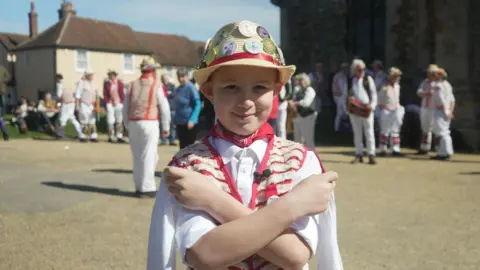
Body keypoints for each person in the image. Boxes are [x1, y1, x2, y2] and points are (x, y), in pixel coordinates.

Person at [147, 21, 342, 270]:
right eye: (231, 87)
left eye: (260, 87)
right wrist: (295, 203)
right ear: (209, 92)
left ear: (276, 91)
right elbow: (205, 254)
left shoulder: (300, 160)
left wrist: (212, 200)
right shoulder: (190, 165)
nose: (246, 101)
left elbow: (294, 255)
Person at [123, 59, 171, 198]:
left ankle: (139, 186)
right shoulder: (156, 85)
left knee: (137, 156)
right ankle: (147, 187)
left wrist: (126, 125)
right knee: (149, 155)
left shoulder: (132, 85)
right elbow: (165, 108)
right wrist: (166, 127)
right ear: (152, 71)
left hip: (133, 122)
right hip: (149, 122)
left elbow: (125, 108)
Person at [347, 59, 378, 165]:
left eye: (362, 69)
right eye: (359, 69)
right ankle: (358, 154)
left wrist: (372, 106)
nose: (361, 71)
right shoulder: (351, 80)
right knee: (357, 132)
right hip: (355, 109)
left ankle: (371, 154)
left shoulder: (368, 79)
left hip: (366, 109)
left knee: (369, 131)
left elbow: (374, 94)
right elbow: (347, 94)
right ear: (355, 70)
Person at [378, 67, 405, 156]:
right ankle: (383, 149)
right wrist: (383, 107)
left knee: (395, 130)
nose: (397, 78)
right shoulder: (384, 87)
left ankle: (395, 149)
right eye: (395, 76)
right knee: (385, 130)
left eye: (398, 76)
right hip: (386, 110)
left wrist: (397, 107)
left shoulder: (397, 86)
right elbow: (379, 100)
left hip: (396, 110)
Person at [174, 68, 201, 149]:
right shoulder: (178, 89)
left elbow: (197, 104)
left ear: (187, 76)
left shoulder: (191, 87)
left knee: (190, 147)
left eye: (183, 77)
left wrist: (192, 120)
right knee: (182, 147)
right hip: (180, 122)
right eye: (179, 77)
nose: (181, 79)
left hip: (189, 123)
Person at [431, 69, 454, 160]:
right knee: (445, 132)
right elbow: (452, 100)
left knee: (442, 132)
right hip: (446, 110)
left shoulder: (438, 86)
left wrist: (446, 112)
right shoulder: (448, 85)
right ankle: (446, 151)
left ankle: (443, 153)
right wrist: (450, 111)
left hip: (440, 110)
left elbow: (442, 100)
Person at [416, 64, 440, 154]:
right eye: (429, 73)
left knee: (436, 128)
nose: (430, 74)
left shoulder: (438, 83)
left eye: (432, 73)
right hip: (425, 107)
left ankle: (438, 148)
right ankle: (425, 148)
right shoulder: (425, 82)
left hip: (434, 108)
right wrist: (426, 93)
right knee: (425, 128)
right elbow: (419, 92)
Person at [290, 73, 317, 149]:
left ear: (305, 81)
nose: (299, 82)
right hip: (298, 116)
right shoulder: (298, 89)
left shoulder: (310, 90)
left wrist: (295, 103)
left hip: (308, 116)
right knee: (297, 139)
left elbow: (306, 103)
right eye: (298, 80)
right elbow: (293, 99)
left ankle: (312, 157)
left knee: (308, 139)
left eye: (301, 80)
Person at [56, 74, 84, 139]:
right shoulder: (68, 82)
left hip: (66, 104)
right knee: (72, 118)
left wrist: (60, 100)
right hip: (72, 103)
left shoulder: (60, 84)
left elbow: (59, 95)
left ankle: (61, 134)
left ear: (57, 79)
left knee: (63, 119)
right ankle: (80, 134)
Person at [75, 70, 99, 142]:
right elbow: (78, 95)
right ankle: (83, 136)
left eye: (92, 75)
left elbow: (96, 95)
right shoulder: (81, 83)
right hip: (84, 103)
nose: (92, 76)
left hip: (92, 104)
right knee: (84, 118)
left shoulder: (93, 84)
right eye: (90, 75)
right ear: (87, 75)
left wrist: (97, 104)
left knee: (92, 120)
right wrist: (77, 105)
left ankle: (93, 136)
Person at [104, 70, 126, 143]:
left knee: (119, 120)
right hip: (110, 103)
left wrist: (122, 102)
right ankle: (111, 136)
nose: (112, 76)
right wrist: (107, 103)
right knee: (110, 120)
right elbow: (105, 94)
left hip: (118, 103)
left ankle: (120, 136)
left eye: (113, 75)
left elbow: (122, 93)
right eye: (110, 75)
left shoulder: (119, 83)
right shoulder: (107, 84)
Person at [160, 74, 177, 146]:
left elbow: (174, 94)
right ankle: (163, 140)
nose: (165, 80)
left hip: (172, 109)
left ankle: (172, 140)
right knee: (163, 125)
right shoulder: (160, 87)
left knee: (172, 125)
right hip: (163, 110)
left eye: (166, 79)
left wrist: (167, 94)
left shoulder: (172, 86)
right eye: (163, 79)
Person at [332, 62, 349, 132]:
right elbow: (334, 85)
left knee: (343, 112)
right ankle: (336, 128)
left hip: (344, 96)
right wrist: (337, 92)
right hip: (339, 96)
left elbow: (345, 87)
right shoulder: (338, 75)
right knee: (340, 112)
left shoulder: (345, 76)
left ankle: (343, 127)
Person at [0, 65, 10, 141]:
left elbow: (8, 77)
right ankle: (5, 134)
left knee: (3, 105)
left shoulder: (2, 68)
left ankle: (5, 133)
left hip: (1, 90)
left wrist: (3, 81)